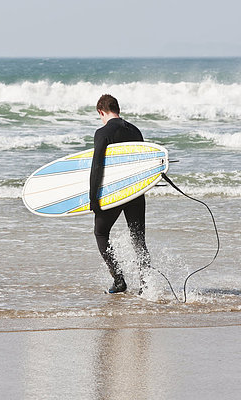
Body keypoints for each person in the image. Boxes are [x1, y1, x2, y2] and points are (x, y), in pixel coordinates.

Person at [90, 94, 151, 294]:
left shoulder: (102, 132)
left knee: (101, 232)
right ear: (118, 108)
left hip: (113, 192)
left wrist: (94, 198)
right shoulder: (135, 130)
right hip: (135, 192)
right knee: (138, 238)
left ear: (101, 111)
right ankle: (146, 285)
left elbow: (97, 166)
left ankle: (119, 279)